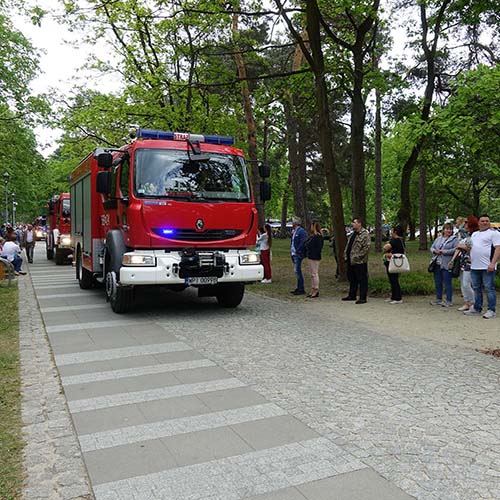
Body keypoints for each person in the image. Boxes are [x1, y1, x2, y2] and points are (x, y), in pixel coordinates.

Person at [464, 214, 500, 319]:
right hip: (475, 266)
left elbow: (498, 249)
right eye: (482, 221)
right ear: (478, 223)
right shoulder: (475, 234)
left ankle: (491, 310)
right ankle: (477, 307)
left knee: (489, 288)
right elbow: (471, 247)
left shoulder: (494, 234)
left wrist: (493, 263)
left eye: (487, 221)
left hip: (487, 266)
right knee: (476, 288)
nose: (485, 223)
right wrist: (470, 254)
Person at [451, 216, 478, 311]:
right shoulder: (464, 234)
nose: (464, 224)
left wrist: (461, 245)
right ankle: (467, 302)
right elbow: (458, 247)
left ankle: (474, 302)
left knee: (467, 283)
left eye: (466, 222)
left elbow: (470, 247)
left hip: (469, 262)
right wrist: (453, 260)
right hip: (462, 261)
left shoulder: (475, 235)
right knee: (463, 283)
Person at [342, 217, 370, 304]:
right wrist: (345, 255)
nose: (352, 224)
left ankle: (362, 297)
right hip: (351, 260)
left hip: (360, 261)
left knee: (362, 279)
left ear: (359, 223)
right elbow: (348, 245)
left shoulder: (365, 234)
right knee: (352, 278)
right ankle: (352, 295)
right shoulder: (353, 234)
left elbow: (366, 248)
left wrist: (358, 257)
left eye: (354, 222)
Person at [430, 223, 458, 307]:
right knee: (438, 282)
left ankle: (449, 300)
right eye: (447, 229)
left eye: (450, 229)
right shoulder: (438, 239)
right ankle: (439, 299)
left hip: (447, 263)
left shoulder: (454, 239)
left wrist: (444, 252)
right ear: (443, 230)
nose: (448, 231)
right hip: (437, 263)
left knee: (447, 282)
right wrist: (435, 251)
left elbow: (455, 250)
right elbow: (432, 247)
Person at [383, 225, 405, 304]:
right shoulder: (401, 240)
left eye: (392, 231)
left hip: (393, 262)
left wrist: (387, 244)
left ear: (395, 232)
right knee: (394, 279)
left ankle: (398, 298)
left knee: (393, 280)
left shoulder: (395, 240)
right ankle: (393, 296)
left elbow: (385, 247)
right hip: (398, 262)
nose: (391, 232)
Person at [305, 222, 324, 298]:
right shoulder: (313, 236)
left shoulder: (317, 237)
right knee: (312, 274)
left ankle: (316, 289)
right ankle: (313, 288)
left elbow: (312, 246)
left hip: (314, 256)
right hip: (311, 255)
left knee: (314, 273)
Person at [290, 216, 307, 295]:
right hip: (293, 253)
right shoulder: (294, 231)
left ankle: (301, 288)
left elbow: (303, 242)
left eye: (293, 222)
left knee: (298, 271)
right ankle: (298, 287)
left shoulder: (301, 231)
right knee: (296, 271)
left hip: (297, 254)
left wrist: (298, 250)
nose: (292, 223)